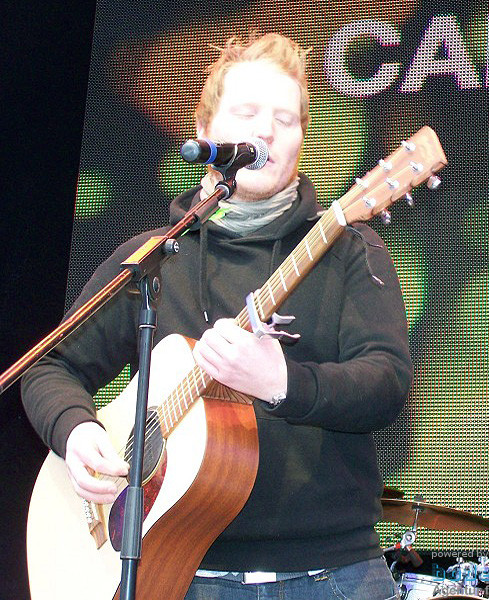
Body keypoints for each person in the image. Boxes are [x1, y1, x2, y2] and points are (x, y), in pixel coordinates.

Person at [21, 33, 411, 600]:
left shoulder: (351, 247)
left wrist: (283, 383)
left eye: (286, 118)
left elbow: (388, 382)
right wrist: (75, 430)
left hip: (332, 573)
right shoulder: (154, 257)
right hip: (176, 572)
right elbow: (48, 367)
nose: (266, 131)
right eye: (247, 112)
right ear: (205, 135)